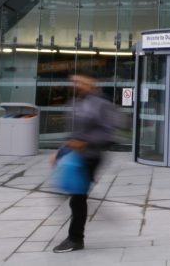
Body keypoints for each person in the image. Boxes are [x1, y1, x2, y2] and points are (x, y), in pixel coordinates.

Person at [52, 72, 119, 253]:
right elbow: (73, 132)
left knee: (77, 198)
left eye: (81, 81)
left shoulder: (101, 104)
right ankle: (77, 234)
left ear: (92, 82)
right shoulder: (77, 102)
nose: (77, 84)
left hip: (91, 156)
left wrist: (86, 142)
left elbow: (108, 133)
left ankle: (75, 239)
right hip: (74, 155)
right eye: (74, 81)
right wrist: (60, 151)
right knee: (75, 196)